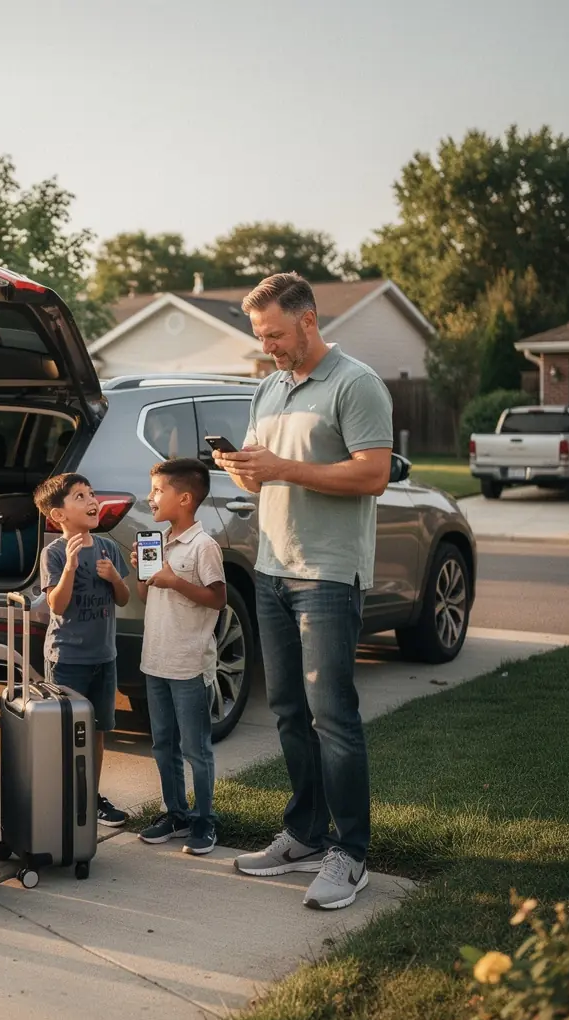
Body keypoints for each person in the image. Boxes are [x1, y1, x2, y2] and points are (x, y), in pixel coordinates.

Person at [214, 272, 393, 911]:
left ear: (309, 320)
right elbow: (270, 480)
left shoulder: (357, 383)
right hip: (271, 567)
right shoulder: (268, 387)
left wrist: (284, 468)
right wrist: (248, 470)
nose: (268, 347)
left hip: (327, 573)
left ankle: (352, 853)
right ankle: (305, 835)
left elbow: (372, 475)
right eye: (260, 336)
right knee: (288, 710)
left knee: (332, 717)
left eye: (276, 334)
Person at [131, 458, 225, 856]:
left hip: (187, 664)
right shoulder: (161, 541)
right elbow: (145, 596)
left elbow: (218, 599)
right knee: (162, 744)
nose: (150, 497)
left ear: (184, 498)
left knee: (195, 748)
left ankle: (205, 819)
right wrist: (145, 576)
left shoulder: (204, 546)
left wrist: (175, 581)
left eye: (157, 491)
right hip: (155, 660)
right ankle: (176, 813)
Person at [34, 473, 131, 826]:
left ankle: (90, 796)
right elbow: (57, 606)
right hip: (67, 660)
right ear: (58, 514)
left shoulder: (107, 548)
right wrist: (71, 569)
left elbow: (123, 598)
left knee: (98, 730)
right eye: (79, 496)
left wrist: (115, 578)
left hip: (104, 657)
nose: (91, 501)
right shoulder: (55, 554)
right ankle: (63, 797)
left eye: (91, 494)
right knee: (66, 733)